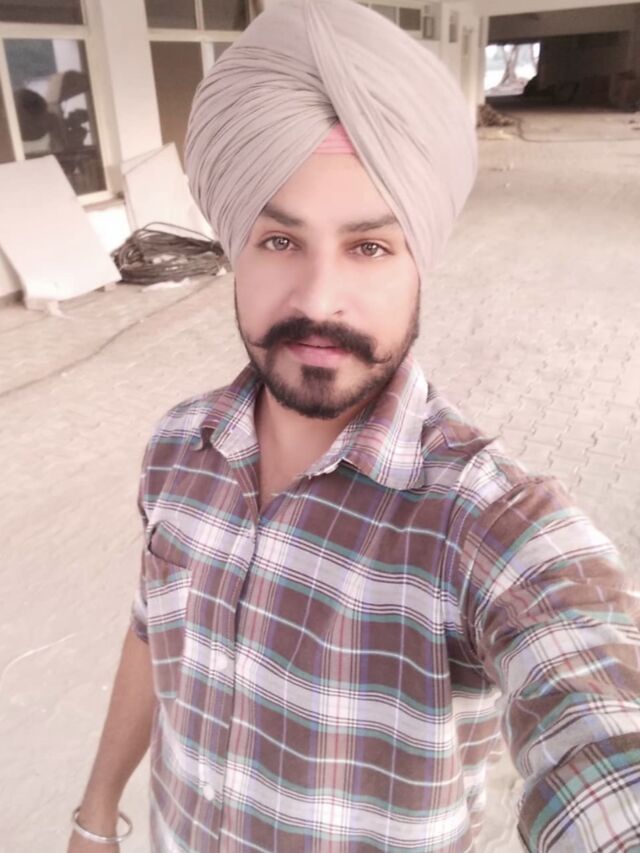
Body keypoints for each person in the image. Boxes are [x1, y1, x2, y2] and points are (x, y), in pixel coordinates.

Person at [68, 1, 640, 851]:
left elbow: (594, 708)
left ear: (420, 264)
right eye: (278, 241)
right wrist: (96, 812)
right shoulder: (178, 448)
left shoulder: (480, 523)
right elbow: (153, 632)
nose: (318, 299)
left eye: (369, 247)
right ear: (235, 251)